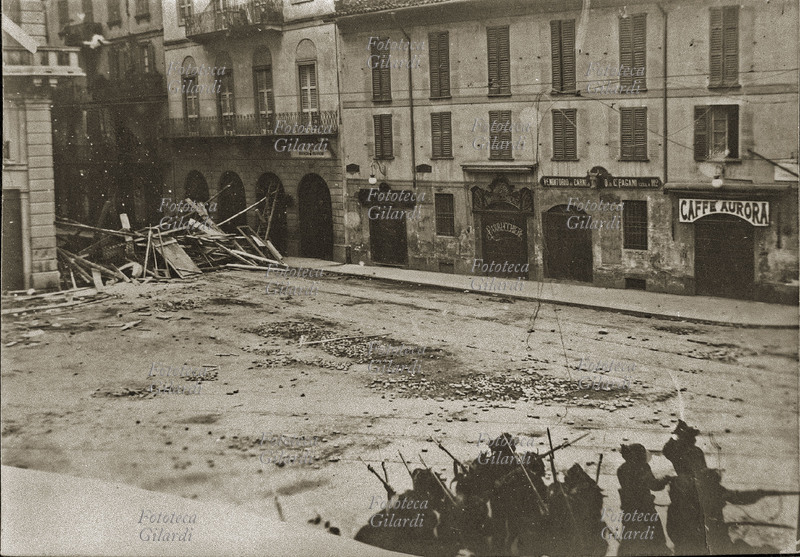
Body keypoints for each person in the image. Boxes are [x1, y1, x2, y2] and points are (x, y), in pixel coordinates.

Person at [662, 421, 708, 555]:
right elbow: (702, 471)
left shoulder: (678, 450)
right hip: (694, 488)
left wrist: (676, 433)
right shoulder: (696, 451)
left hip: (682, 486)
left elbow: (666, 450)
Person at [616, 443, 671, 556]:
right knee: (656, 537)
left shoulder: (621, 469)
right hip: (645, 507)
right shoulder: (643, 467)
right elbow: (654, 485)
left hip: (629, 508)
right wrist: (665, 479)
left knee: (630, 538)